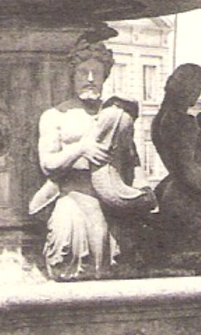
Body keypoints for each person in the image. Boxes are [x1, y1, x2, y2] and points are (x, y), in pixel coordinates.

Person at [32, 38, 155, 280]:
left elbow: (132, 159)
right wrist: (81, 148)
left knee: (121, 269)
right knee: (71, 264)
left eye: (96, 73)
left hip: (113, 202)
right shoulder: (56, 115)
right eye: (82, 72)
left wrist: (141, 187)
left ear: (105, 76)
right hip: (73, 197)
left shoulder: (115, 116)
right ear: (72, 76)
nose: (90, 78)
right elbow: (48, 164)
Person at [150, 63, 201, 258]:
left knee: (178, 255)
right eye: (197, 88)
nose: (197, 95)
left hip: (172, 193)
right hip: (190, 198)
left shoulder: (161, 118)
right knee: (193, 255)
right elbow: (188, 167)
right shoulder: (182, 122)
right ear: (186, 88)